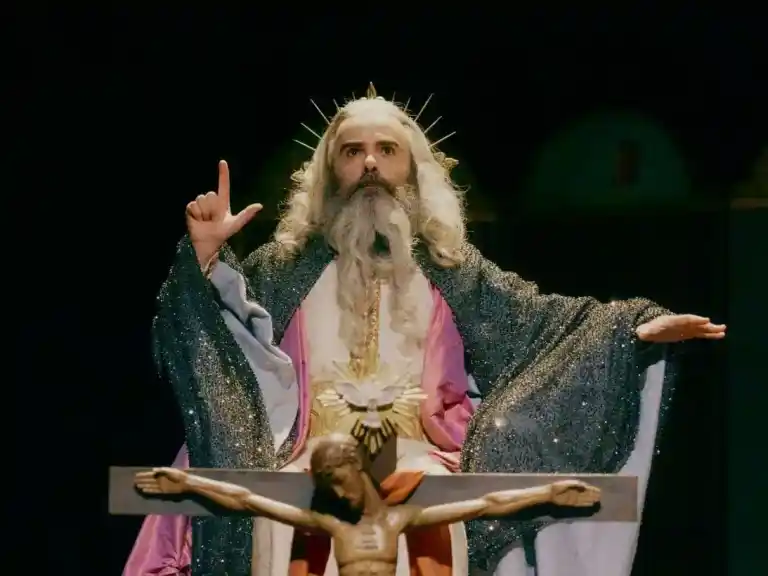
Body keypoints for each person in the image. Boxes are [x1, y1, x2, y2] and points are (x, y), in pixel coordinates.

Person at [124, 84, 726, 576]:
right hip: (308, 452)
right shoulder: (282, 272)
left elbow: (547, 326)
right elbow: (213, 355)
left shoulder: (453, 272)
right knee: (272, 517)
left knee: (431, 506)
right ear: (330, 173)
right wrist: (203, 259)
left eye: (386, 150)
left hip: (423, 454)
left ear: (411, 170)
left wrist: (630, 330)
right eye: (352, 151)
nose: (369, 164)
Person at [134, 435, 601, 576]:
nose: (337, 494)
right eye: (328, 486)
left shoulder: (402, 518)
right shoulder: (331, 525)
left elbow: (484, 504)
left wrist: (547, 494)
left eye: (338, 481)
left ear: (356, 467)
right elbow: (245, 500)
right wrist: (187, 481)